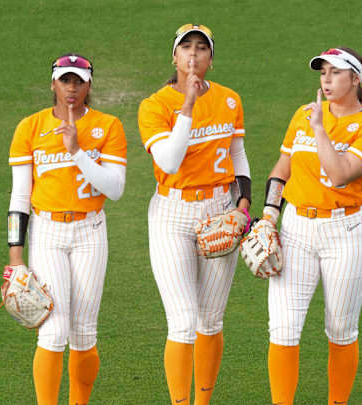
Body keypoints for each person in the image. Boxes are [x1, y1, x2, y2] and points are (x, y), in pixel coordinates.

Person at [261, 47, 362, 405]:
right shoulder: (303, 115)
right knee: (283, 329)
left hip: (345, 234)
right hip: (296, 229)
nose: (327, 80)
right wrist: (270, 214)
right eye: (322, 73)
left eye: (335, 73)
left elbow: (338, 174)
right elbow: (282, 169)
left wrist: (319, 128)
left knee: (340, 329)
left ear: (356, 80)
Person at [3, 53, 127, 405]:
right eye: (64, 80)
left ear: (90, 85)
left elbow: (114, 189)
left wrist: (76, 151)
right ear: (53, 84)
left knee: (84, 332)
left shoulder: (109, 126)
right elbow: (20, 196)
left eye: (79, 81)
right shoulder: (30, 128)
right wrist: (17, 259)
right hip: (48, 233)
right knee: (54, 332)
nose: (71, 88)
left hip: (90, 231)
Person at [137, 24, 252, 405]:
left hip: (221, 208)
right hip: (173, 213)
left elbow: (237, 156)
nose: (193, 54)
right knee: (183, 321)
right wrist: (187, 103)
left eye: (201, 48)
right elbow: (168, 162)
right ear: (174, 57)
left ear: (211, 59)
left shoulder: (230, 100)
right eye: (185, 47)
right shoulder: (154, 106)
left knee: (211, 320)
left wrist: (244, 206)